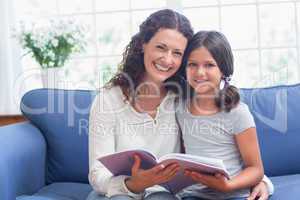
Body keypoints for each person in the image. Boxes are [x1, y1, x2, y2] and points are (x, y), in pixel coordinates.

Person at [87, 9, 273, 200]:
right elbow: (97, 175)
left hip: (162, 193)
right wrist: (134, 184)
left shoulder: (183, 96)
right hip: (116, 193)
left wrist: (260, 181)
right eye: (160, 47)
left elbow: (213, 149)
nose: (168, 60)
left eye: (177, 53)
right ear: (143, 44)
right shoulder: (108, 100)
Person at [175, 30, 273, 200]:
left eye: (209, 65)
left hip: (233, 194)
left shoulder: (237, 112)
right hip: (193, 195)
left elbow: (256, 169)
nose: (199, 72)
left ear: (223, 70)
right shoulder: (181, 110)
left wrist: (228, 185)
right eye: (192, 64)